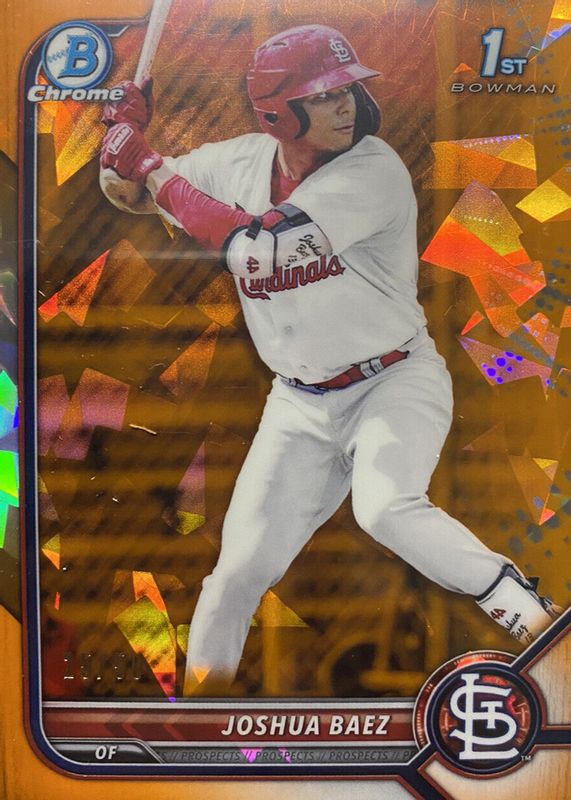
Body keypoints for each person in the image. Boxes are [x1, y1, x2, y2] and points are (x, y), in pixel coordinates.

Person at [100, 24, 560, 695]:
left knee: (385, 507)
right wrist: (121, 141)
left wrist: (147, 165)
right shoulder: (239, 162)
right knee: (234, 576)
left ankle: (533, 618)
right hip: (298, 405)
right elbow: (131, 194)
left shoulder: (372, 171)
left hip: (392, 381)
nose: (345, 104)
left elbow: (259, 252)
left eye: (347, 89)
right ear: (277, 113)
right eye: (322, 95)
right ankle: (198, 711)